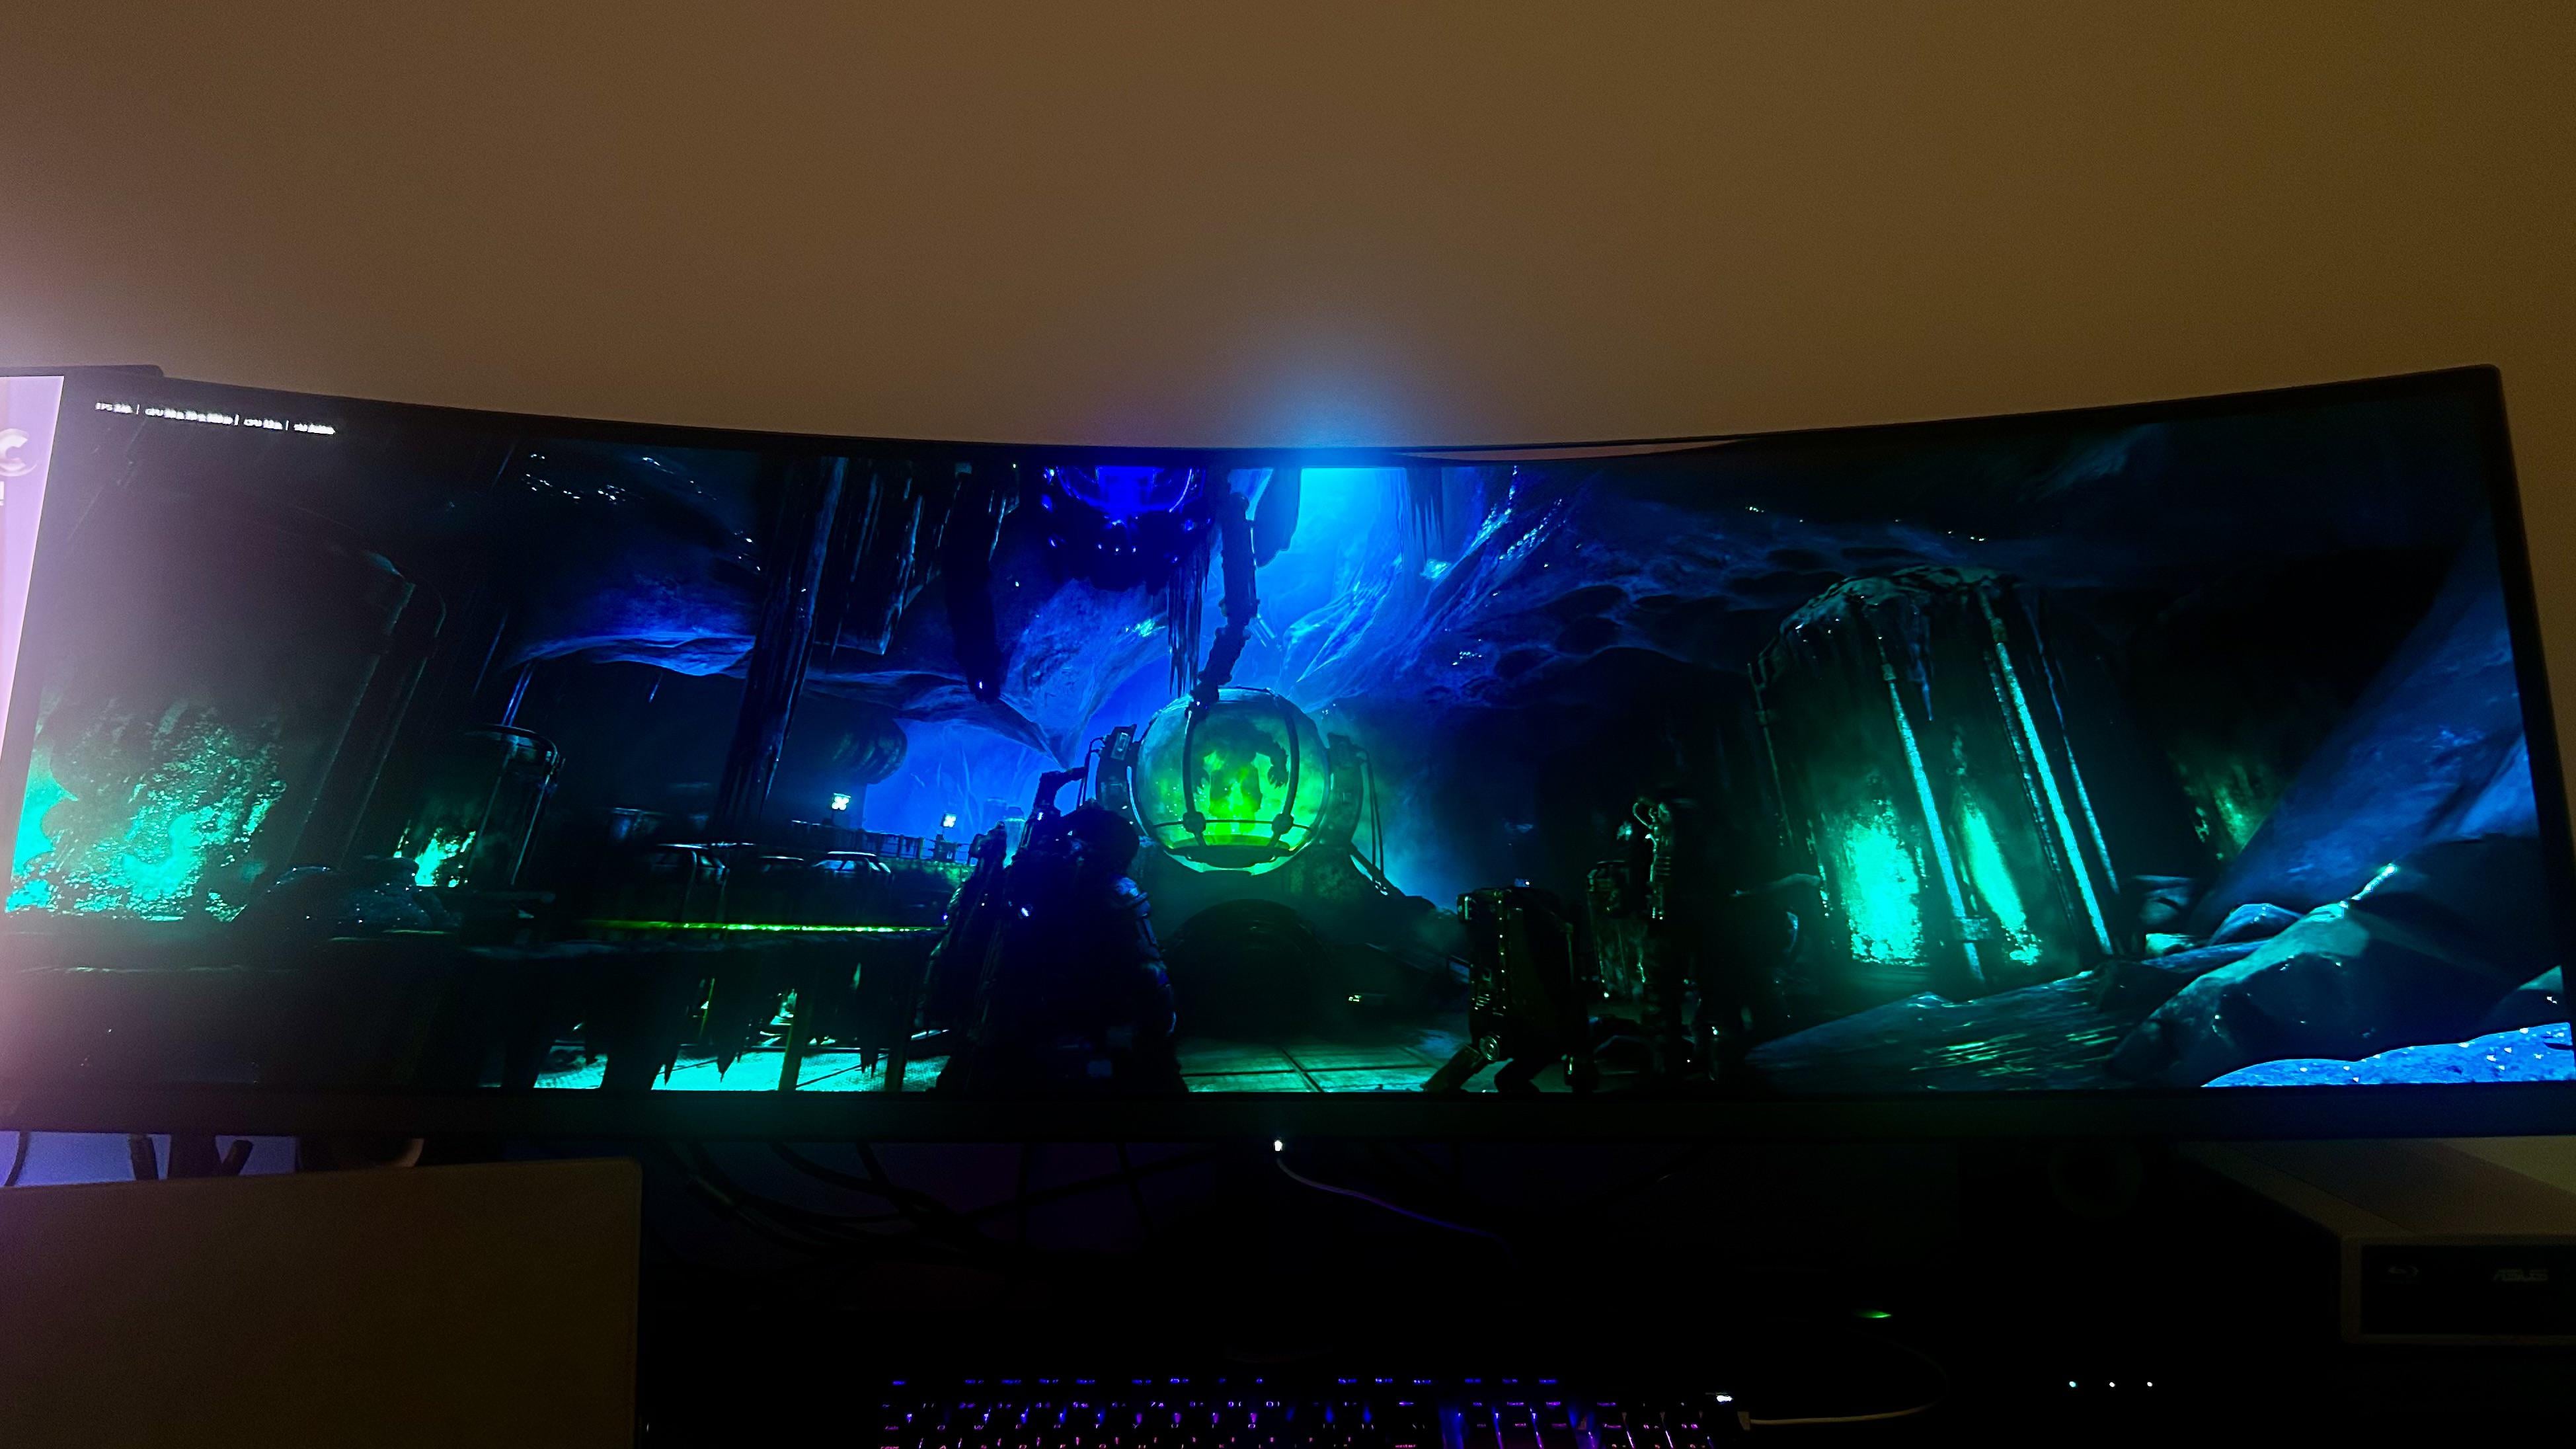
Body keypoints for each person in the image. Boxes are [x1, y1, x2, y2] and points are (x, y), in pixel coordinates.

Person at [944, 803, 1185, 1096]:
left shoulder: (1090, 890)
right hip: (1055, 1035)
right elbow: (1151, 979)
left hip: (1061, 1034)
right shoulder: (1103, 891)